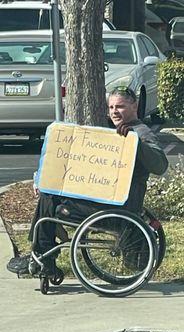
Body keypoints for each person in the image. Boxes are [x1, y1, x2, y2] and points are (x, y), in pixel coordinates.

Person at [7, 86, 168, 276]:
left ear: (135, 106)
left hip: (119, 209)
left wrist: (136, 142)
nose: (115, 111)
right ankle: (42, 256)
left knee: (50, 201)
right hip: (104, 201)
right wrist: (42, 180)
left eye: (120, 106)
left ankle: (42, 258)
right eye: (111, 107)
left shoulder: (141, 132)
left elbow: (160, 165)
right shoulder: (113, 133)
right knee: (49, 192)